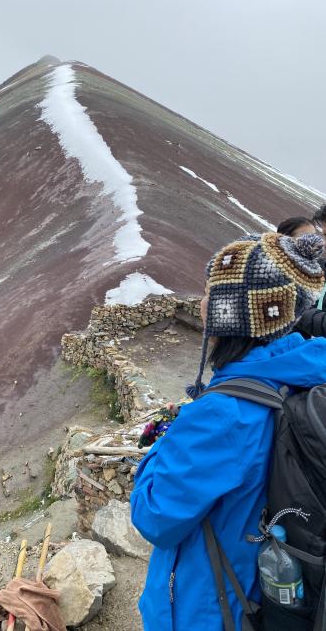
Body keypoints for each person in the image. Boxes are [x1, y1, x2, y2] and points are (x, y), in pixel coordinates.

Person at [131, 231, 326, 631]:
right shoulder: (299, 376)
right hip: (261, 594)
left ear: (231, 312)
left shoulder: (222, 414)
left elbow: (155, 517)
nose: (200, 303)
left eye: (208, 292)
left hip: (208, 609)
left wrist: (163, 444)